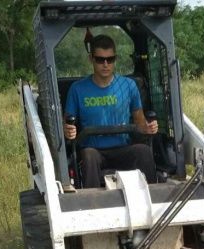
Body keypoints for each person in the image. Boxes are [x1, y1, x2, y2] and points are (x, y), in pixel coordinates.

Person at [64, 34, 158, 188]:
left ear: (115, 59)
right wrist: (68, 130)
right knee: (88, 156)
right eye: (100, 60)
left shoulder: (129, 86)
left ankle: (154, 197)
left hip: (123, 148)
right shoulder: (77, 89)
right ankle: (92, 203)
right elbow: (67, 122)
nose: (105, 64)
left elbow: (140, 122)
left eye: (110, 59)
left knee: (143, 151)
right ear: (91, 59)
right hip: (94, 150)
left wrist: (148, 127)